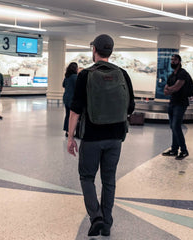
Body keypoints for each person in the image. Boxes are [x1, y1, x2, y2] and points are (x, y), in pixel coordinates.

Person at [67, 34, 135, 237]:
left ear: (94, 50)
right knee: (109, 179)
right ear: (111, 51)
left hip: (92, 137)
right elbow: (131, 107)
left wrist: (71, 137)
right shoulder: (123, 74)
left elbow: (75, 109)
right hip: (116, 137)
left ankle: (95, 217)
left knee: (87, 177)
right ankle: (107, 221)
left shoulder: (85, 75)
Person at [162, 54, 189, 160]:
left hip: (181, 104)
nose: (172, 61)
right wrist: (170, 89)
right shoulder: (171, 75)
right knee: (173, 127)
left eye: (175, 60)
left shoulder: (183, 73)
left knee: (176, 126)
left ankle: (184, 150)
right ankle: (174, 149)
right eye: (172, 60)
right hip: (172, 103)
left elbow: (176, 88)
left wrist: (170, 89)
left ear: (179, 61)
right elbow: (165, 91)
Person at [62, 62, 78, 137]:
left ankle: (67, 131)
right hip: (72, 99)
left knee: (67, 115)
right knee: (73, 115)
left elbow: (63, 85)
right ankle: (71, 132)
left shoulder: (67, 77)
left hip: (66, 98)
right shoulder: (75, 77)